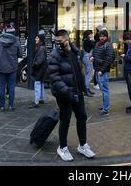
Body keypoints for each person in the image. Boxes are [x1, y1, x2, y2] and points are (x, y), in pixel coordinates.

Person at [47, 29, 95, 162]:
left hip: (77, 91)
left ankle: (83, 145)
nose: (58, 44)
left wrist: (83, 88)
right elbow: (55, 78)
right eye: (56, 41)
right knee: (65, 120)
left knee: (82, 117)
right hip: (64, 94)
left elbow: (78, 71)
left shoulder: (75, 51)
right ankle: (62, 147)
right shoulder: (55, 55)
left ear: (67, 39)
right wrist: (67, 92)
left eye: (60, 41)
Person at [0, 23, 22, 111]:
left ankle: (1, 106)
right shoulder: (16, 42)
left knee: (2, 87)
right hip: (12, 67)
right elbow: (20, 54)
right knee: (11, 87)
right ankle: (11, 106)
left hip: (1, 67)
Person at [91, 29, 115, 116]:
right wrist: (92, 57)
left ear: (106, 37)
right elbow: (94, 53)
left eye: (103, 36)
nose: (102, 38)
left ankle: (106, 109)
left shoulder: (107, 45)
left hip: (102, 71)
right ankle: (105, 105)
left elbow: (109, 59)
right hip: (97, 69)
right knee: (102, 90)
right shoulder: (98, 44)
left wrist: (102, 70)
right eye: (101, 36)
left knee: (105, 90)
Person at [29, 34, 47, 108]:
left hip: (39, 70)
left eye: (37, 38)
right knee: (41, 84)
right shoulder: (41, 48)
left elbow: (39, 61)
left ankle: (36, 102)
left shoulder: (41, 49)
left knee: (37, 84)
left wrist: (34, 65)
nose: (35, 39)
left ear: (40, 40)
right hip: (41, 69)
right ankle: (41, 99)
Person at [82, 30, 95, 97]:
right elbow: (93, 45)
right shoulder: (87, 41)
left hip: (86, 57)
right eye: (91, 34)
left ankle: (87, 88)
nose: (92, 35)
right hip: (88, 57)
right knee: (89, 74)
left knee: (88, 73)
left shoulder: (85, 40)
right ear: (88, 34)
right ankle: (86, 90)